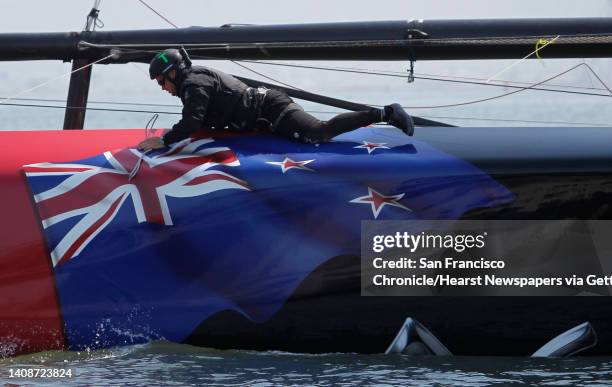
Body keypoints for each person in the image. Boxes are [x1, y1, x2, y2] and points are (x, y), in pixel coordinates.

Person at [138, 48, 415, 151]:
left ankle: (387, 113)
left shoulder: (193, 83)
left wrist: (164, 141)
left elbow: (192, 121)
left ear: (173, 72)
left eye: (162, 81)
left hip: (272, 109)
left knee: (318, 133)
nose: (163, 88)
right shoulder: (191, 83)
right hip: (261, 117)